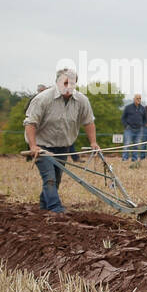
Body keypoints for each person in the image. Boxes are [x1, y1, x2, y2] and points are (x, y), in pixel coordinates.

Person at [23, 68, 99, 213]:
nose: (68, 87)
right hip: (42, 147)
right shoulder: (43, 99)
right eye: (65, 83)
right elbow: (30, 123)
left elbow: (89, 122)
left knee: (56, 180)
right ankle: (55, 208)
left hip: (64, 146)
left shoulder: (82, 100)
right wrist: (33, 146)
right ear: (57, 82)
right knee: (49, 178)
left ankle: (43, 208)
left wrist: (93, 143)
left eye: (72, 83)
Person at [121, 93, 145, 163]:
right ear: (134, 99)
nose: (139, 100)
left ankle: (134, 159)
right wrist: (126, 125)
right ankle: (124, 159)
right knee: (127, 144)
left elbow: (145, 119)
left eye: (140, 98)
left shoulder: (143, 108)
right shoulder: (128, 107)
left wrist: (142, 125)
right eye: (137, 98)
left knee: (136, 145)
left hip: (139, 130)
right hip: (129, 129)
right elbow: (123, 118)